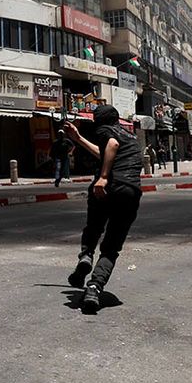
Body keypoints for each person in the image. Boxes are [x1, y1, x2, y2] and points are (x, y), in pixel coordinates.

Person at [61, 105, 143, 314]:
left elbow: (112, 145)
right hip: (130, 192)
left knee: (94, 227)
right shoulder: (131, 137)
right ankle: (94, 287)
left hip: (109, 186)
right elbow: (105, 152)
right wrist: (78, 138)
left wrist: (104, 177)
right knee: (111, 248)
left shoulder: (105, 131)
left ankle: (86, 255)